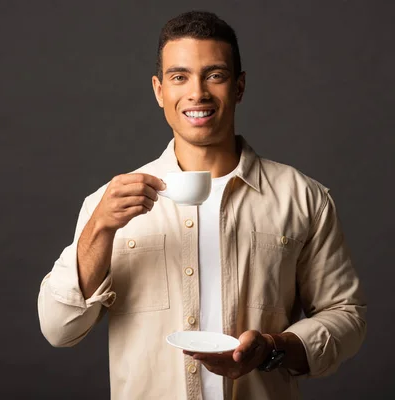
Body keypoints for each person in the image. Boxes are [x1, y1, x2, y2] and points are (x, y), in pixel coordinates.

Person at [37, 10, 366, 400]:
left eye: (215, 75)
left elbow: (346, 316)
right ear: (159, 90)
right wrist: (100, 227)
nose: (198, 93)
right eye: (180, 77)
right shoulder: (109, 204)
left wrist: (272, 348)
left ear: (239, 87)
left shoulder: (304, 197)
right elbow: (59, 329)